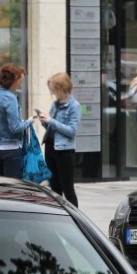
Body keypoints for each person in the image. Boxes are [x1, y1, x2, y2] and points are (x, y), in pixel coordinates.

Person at [0, 63, 33, 179]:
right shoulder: (10, 98)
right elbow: (15, 127)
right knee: (12, 188)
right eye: (20, 80)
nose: (21, 83)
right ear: (15, 79)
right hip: (10, 149)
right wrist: (29, 121)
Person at [39, 72, 80, 206]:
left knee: (67, 189)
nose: (52, 92)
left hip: (64, 150)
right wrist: (44, 121)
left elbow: (72, 131)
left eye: (53, 89)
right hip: (51, 146)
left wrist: (51, 121)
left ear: (61, 88)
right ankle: (59, 216)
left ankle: (75, 218)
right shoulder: (55, 104)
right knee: (54, 188)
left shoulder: (74, 106)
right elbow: (53, 128)